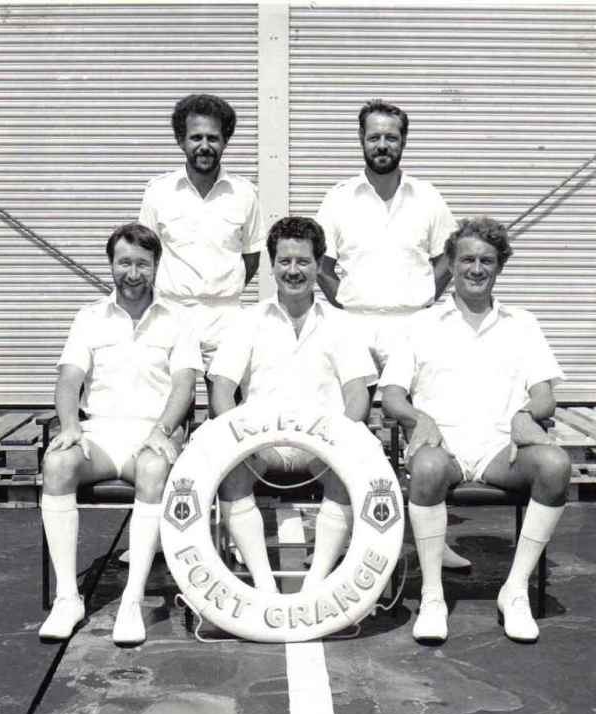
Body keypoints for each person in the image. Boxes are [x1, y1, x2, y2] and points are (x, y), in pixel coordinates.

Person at [380, 216, 571, 643]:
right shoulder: (421, 323)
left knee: (556, 465)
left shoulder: (522, 323)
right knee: (427, 468)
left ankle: (514, 590)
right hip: (442, 446)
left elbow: (544, 395)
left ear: (500, 265)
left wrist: (525, 415)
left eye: (487, 260)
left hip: (501, 449)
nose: (476, 268)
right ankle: (433, 595)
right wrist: (419, 419)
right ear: (451, 264)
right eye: (467, 259)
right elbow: (392, 395)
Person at [39, 223, 203, 645]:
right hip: (98, 433)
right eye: (124, 263)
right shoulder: (89, 317)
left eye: (142, 264)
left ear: (156, 266)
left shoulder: (179, 319)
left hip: (150, 434)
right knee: (56, 463)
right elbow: (68, 380)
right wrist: (70, 426)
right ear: (111, 264)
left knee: (153, 470)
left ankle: (132, 600)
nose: (133, 273)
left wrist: (163, 430)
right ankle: (67, 598)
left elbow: (184, 386)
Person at [208, 216, 377, 591]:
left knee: (348, 471)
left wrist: (341, 439)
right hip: (260, 447)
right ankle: (263, 585)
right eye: (284, 261)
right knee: (231, 472)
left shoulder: (342, 323)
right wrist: (240, 437)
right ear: (272, 266)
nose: (293, 270)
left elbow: (357, 394)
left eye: (303, 261)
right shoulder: (247, 321)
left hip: (323, 449)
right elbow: (222, 388)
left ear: (318, 266)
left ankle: (316, 583)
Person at [316, 98, 457, 370]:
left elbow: (449, 258)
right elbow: (321, 266)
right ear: (361, 138)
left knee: (413, 397)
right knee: (356, 398)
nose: (382, 145)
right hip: (354, 327)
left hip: (414, 326)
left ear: (404, 141)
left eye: (391, 137)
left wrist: (426, 296)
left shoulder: (427, 197)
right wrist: (345, 302)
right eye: (374, 137)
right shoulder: (338, 198)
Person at [138, 93, 265, 370]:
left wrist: (221, 290)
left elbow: (251, 257)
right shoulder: (158, 191)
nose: (204, 146)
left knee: (228, 395)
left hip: (226, 317)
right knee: (174, 395)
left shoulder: (245, 194)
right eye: (196, 137)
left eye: (213, 138)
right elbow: (145, 255)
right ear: (181, 140)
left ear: (225, 141)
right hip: (171, 312)